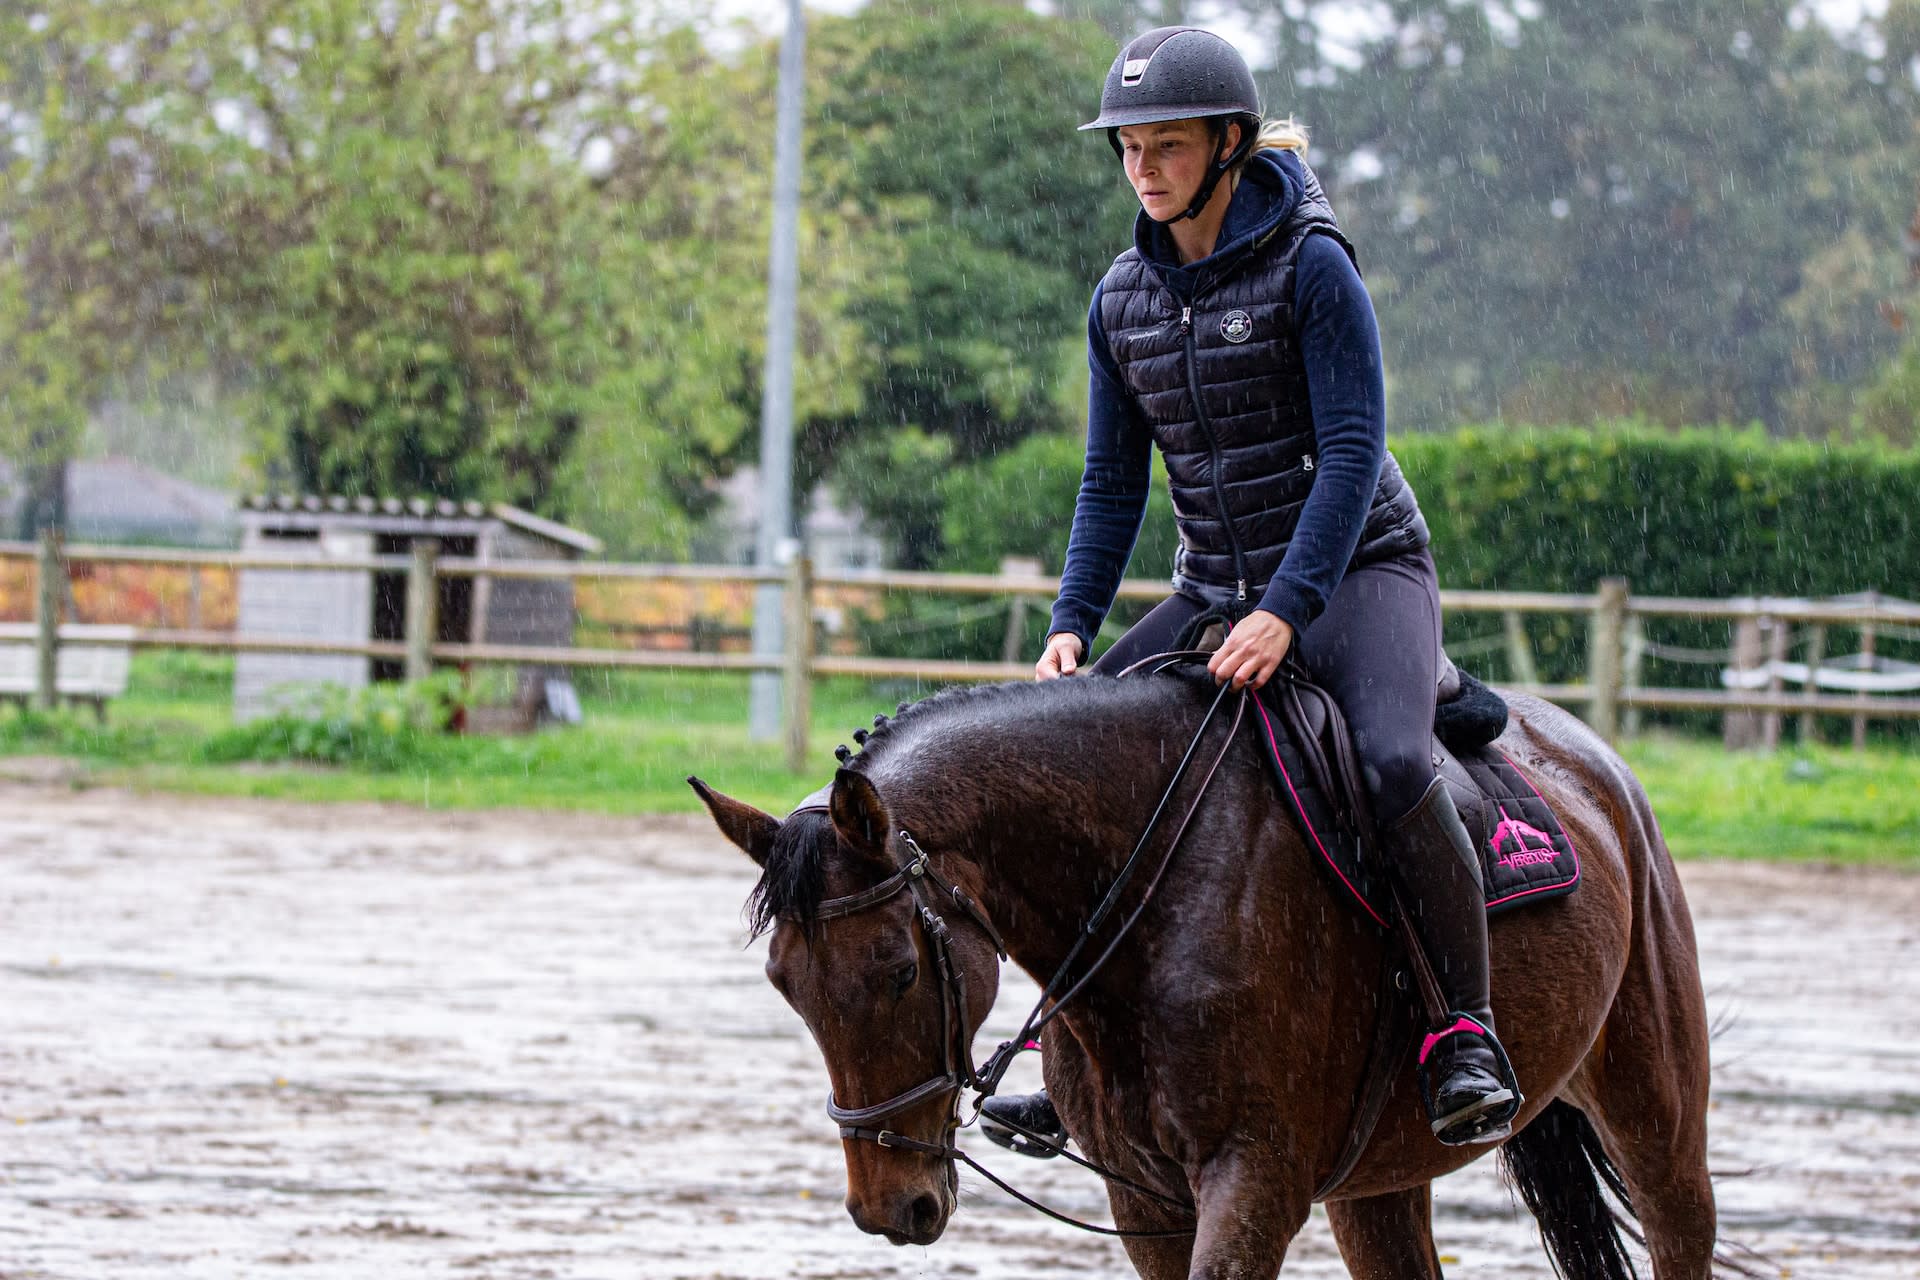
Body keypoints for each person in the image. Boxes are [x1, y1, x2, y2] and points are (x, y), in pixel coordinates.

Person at [980, 25, 1521, 1152]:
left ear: (1230, 143)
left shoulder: (1315, 263)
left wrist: (1286, 608)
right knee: (1068, 757)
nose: (1143, 168)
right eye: (1128, 148)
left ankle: (1462, 1030)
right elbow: (1111, 477)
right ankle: (1062, 1044)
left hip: (1360, 568)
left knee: (1385, 759)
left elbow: (1356, 448)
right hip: (1215, 586)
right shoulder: (1121, 298)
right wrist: (1072, 624)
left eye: (1166, 146)